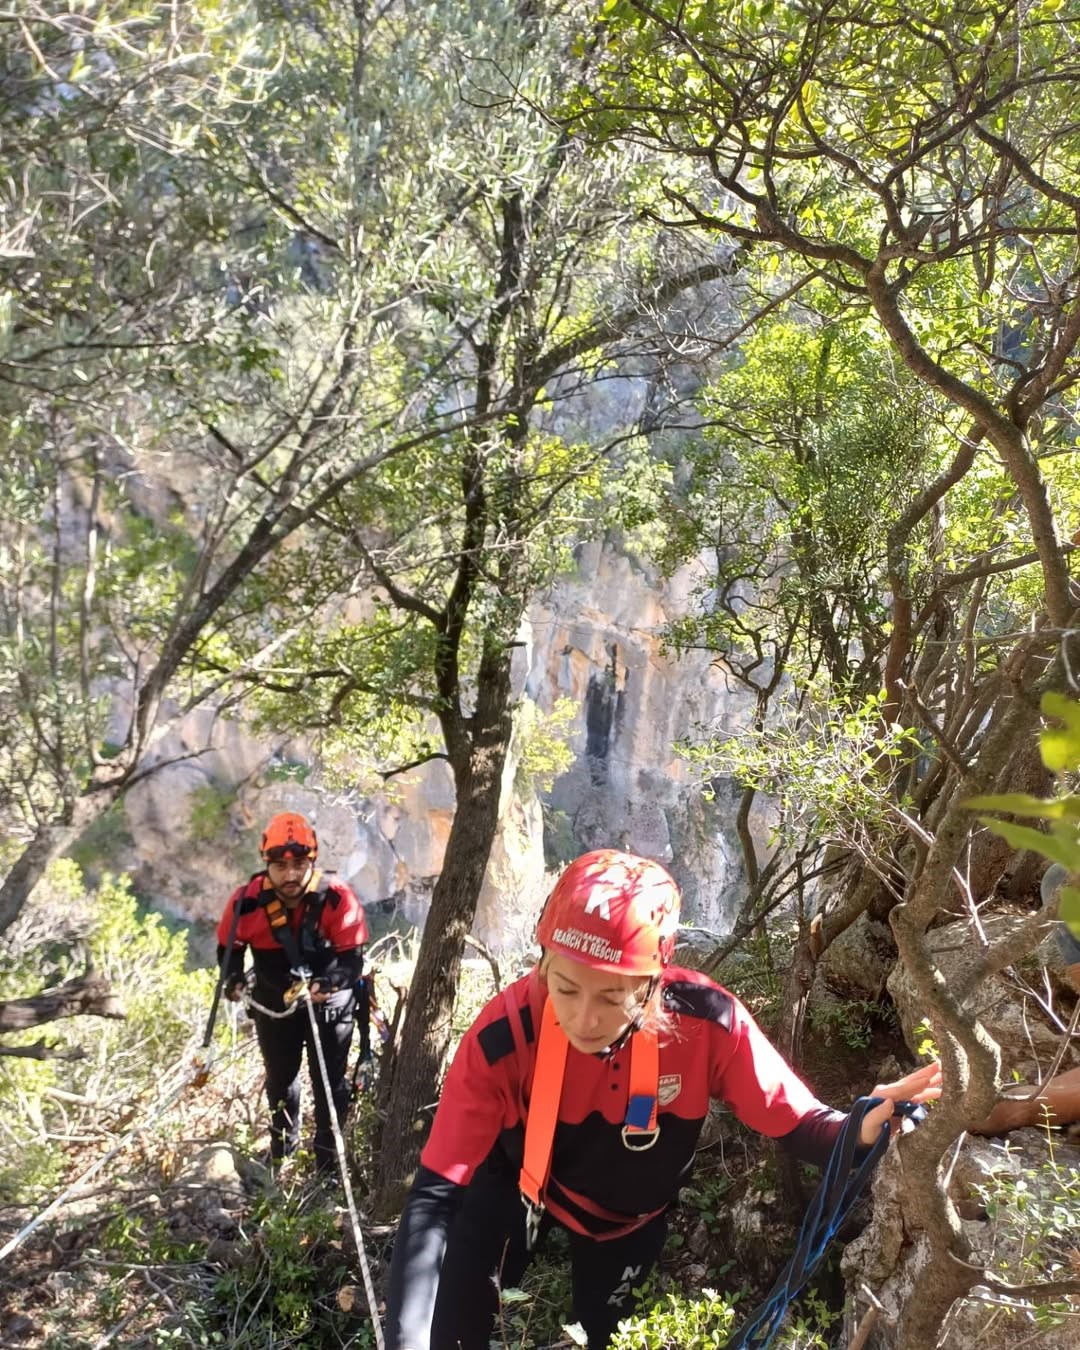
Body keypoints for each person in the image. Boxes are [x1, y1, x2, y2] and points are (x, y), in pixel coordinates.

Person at [385, 849, 941, 1350]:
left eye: (611, 996)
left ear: (654, 981)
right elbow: (436, 1197)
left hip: (622, 1218)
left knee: (603, 1335)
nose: (583, 1019)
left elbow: (799, 1122)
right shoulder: (505, 1035)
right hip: (513, 1187)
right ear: (543, 965)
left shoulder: (706, 1023)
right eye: (566, 988)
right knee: (451, 1333)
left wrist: (862, 1126)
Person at [216, 811, 369, 1171]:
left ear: (312, 862)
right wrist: (234, 979)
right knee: (280, 1080)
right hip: (274, 1000)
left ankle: (328, 1163)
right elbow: (229, 952)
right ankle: (283, 1152)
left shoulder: (336, 899)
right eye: (280, 865)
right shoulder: (246, 903)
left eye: (299, 864)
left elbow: (352, 958)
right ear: (266, 862)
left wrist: (330, 983)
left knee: (329, 1084)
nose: (290, 874)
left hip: (329, 1001)